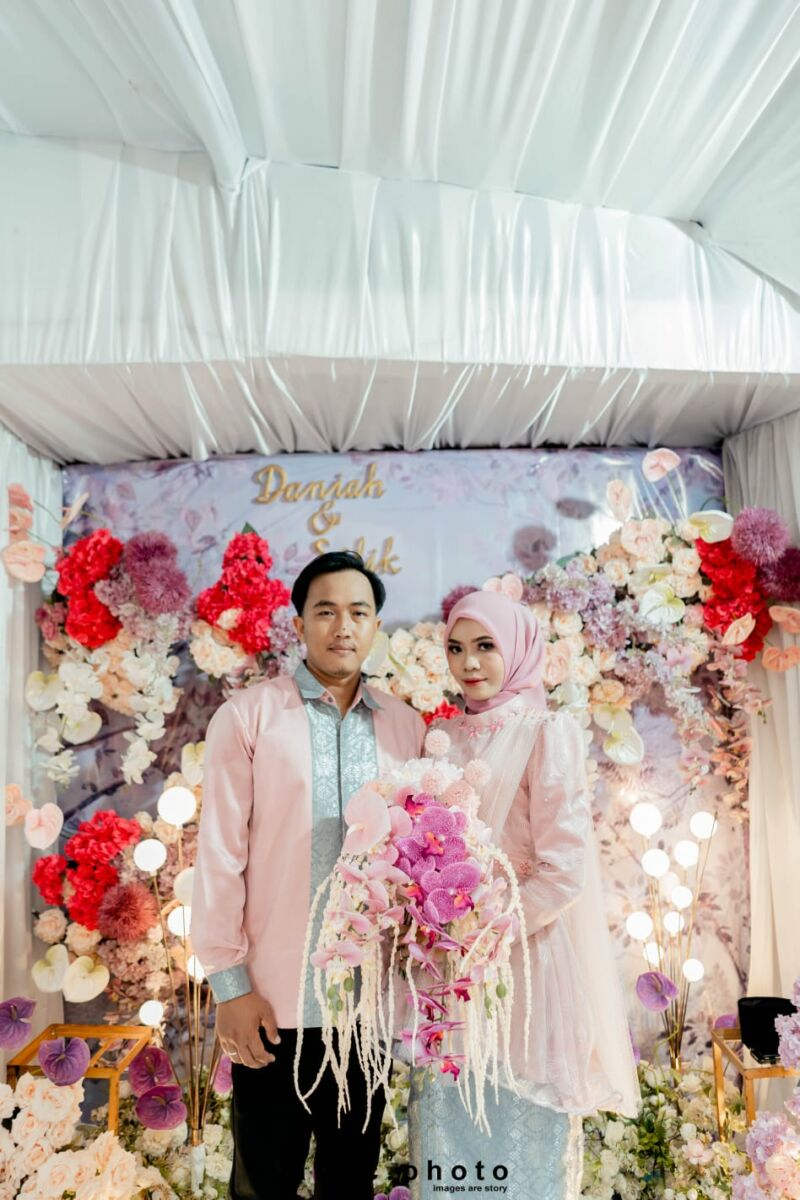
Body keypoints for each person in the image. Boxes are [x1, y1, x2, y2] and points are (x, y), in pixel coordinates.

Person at [192, 550, 425, 1200]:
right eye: (326, 611)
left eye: (358, 612)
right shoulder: (250, 717)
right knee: (263, 1186)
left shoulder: (406, 729)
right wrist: (231, 988)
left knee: (350, 1183)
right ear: (299, 624)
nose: (342, 626)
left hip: (366, 1010)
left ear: (375, 626)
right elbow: (219, 856)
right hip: (271, 1007)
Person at [406, 589, 640, 1200]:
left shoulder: (547, 732)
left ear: (517, 649)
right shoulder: (440, 737)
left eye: (486, 646)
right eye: (456, 648)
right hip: (447, 966)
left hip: (523, 963)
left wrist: (485, 932)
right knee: (448, 1143)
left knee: (522, 1142)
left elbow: (563, 869)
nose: (469, 663)